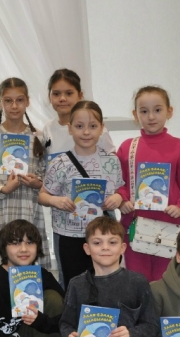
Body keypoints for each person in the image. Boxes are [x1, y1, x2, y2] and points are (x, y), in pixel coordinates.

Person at [116, 86, 180, 282]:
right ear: (135, 115)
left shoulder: (179, 147)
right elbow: (119, 182)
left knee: (164, 284)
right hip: (134, 228)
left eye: (157, 110)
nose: (151, 116)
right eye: (144, 111)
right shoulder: (128, 147)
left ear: (169, 112)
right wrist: (123, 200)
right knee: (137, 283)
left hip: (168, 228)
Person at [39, 100, 124, 286]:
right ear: (70, 128)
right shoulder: (60, 162)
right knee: (73, 285)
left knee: (106, 284)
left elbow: (120, 190)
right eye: (79, 126)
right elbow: (42, 195)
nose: (86, 132)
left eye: (93, 126)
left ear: (102, 128)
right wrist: (55, 201)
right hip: (69, 236)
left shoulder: (111, 161)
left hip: (103, 237)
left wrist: (118, 197)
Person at [0, 78, 49, 272]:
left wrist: (37, 182)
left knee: (29, 265)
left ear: (28, 101)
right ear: (0, 103)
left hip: (29, 209)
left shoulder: (38, 136)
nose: (14, 106)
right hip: (0, 211)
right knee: (0, 267)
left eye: (19, 100)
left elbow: (47, 173)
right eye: (8, 101)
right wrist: (3, 188)